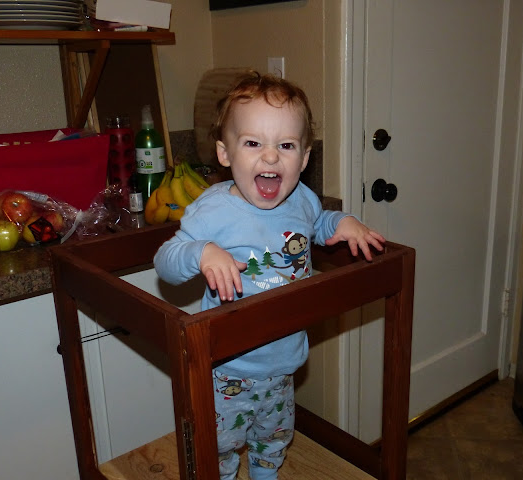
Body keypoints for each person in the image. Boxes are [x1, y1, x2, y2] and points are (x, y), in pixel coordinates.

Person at [154, 71, 385, 480]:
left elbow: (318, 224)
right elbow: (165, 261)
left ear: (304, 158)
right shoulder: (214, 210)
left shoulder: (302, 199)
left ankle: (266, 474)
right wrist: (201, 252)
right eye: (253, 143)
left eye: (286, 145)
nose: (271, 157)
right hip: (227, 367)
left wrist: (342, 223)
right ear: (225, 153)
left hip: (283, 362)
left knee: (273, 436)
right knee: (220, 446)